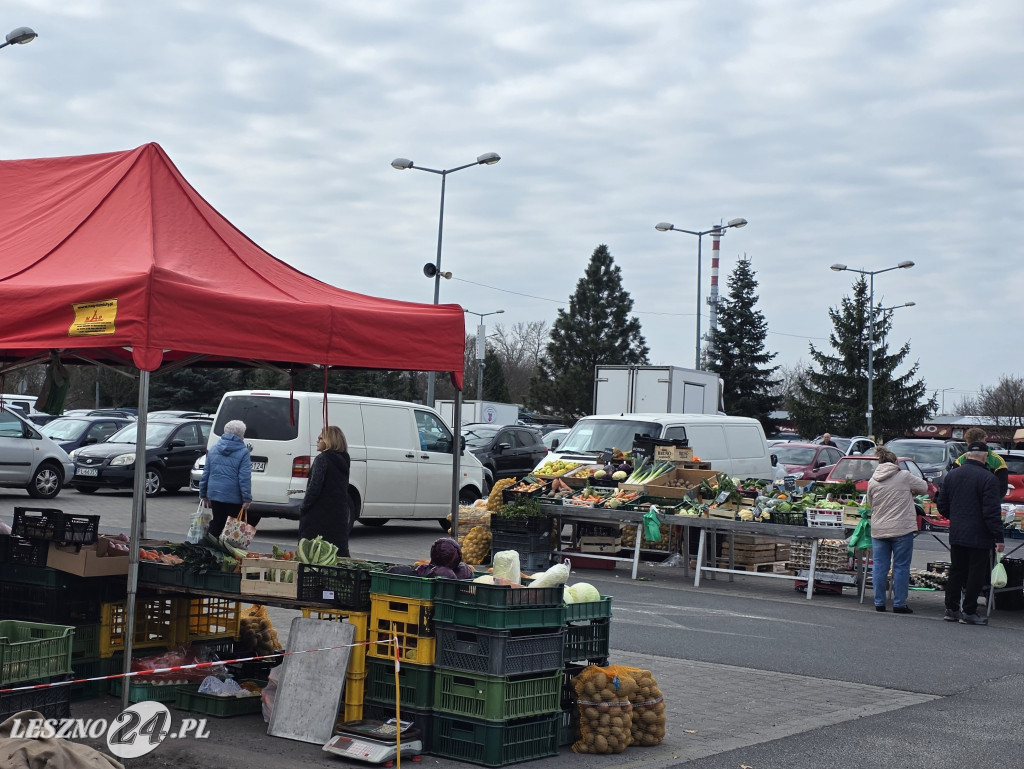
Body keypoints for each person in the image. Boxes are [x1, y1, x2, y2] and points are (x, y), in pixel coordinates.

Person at [938, 440, 1005, 625]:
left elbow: (941, 505)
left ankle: (950, 609)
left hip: (957, 532)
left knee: (956, 570)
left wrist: (957, 517)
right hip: (980, 534)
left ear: (967, 456)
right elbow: (991, 512)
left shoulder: (952, 475)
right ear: (985, 457)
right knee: (975, 572)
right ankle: (969, 611)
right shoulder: (988, 479)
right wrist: (999, 536)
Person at [867, 447, 928, 613]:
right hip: (902, 529)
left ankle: (879, 602)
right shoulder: (904, 476)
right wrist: (911, 492)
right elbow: (924, 487)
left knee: (880, 566)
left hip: (879, 529)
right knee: (901, 566)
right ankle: (899, 604)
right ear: (896, 462)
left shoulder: (873, 480)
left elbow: (871, 504)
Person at [299, 425, 351, 557]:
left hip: (317, 516)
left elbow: (314, 487)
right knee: (335, 556)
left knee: (313, 555)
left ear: (329, 441)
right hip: (338, 515)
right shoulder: (344, 459)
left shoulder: (322, 459)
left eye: (320, 438)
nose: (317, 441)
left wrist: (304, 508)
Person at [199, 419, 252, 539]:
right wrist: (247, 498)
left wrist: (203, 493)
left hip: (215, 493)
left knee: (217, 521)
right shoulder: (243, 452)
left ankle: (208, 549)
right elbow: (244, 477)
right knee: (232, 527)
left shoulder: (213, 449)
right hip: (234, 496)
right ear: (241, 434)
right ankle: (226, 553)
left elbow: (206, 473)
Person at [952, 427, 1008, 498]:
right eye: (984, 439)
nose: (986, 442)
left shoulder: (997, 461)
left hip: (983, 504)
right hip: (975, 504)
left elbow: (1001, 489)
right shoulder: (960, 460)